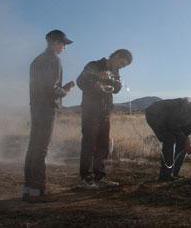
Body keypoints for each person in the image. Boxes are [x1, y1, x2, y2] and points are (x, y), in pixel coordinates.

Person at [23, 29, 75, 202]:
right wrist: (65, 90)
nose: (64, 48)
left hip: (36, 109)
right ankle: (37, 190)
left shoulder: (36, 60)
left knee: (33, 148)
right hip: (46, 109)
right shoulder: (54, 59)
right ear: (54, 43)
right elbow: (51, 89)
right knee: (41, 149)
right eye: (62, 44)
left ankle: (29, 188)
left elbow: (41, 86)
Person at [76, 49, 132, 188]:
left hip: (105, 112)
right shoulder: (94, 65)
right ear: (116, 56)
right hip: (91, 111)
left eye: (124, 66)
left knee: (103, 145)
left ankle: (99, 177)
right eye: (122, 63)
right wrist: (97, 79)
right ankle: (86, 178)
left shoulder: (115, 72)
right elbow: (80, 81)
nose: (121, 67)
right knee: (89, 144)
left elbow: (117, 89)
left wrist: (116, 83)